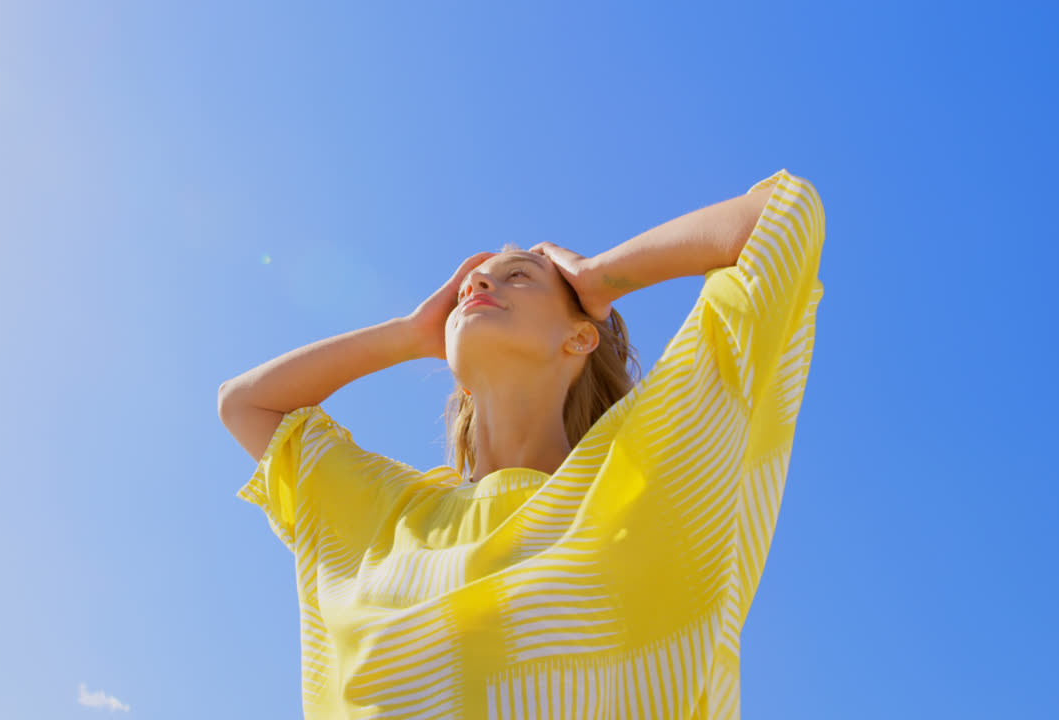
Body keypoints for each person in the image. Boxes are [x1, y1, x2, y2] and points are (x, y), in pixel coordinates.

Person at [218, 169, 825, 719]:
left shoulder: (645, 471)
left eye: (518, 276)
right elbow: (245, 403)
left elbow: (783, 215)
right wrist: (411, 333)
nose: (478, 280)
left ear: (580, 338)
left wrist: (599, 277)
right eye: (468, 288)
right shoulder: (387, 517)